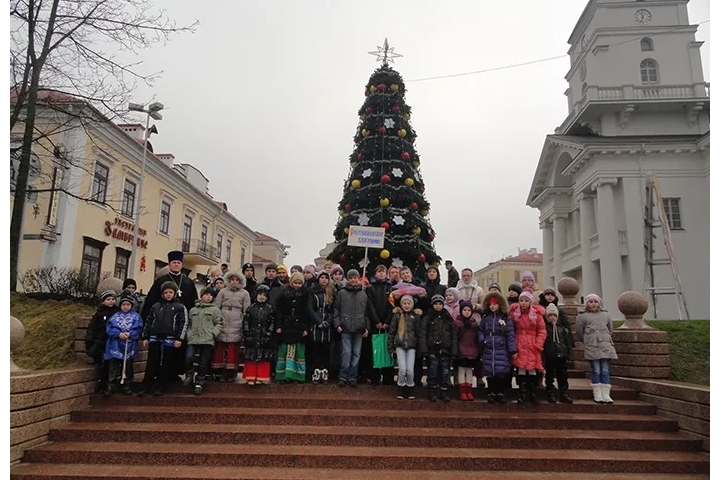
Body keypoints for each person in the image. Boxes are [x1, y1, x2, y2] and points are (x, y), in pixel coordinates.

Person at [142, 251, 198, 380]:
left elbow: (193, 301)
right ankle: (158, 374)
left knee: (178, 349)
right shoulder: (161, 281)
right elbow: (151, 301)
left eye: (178, 263)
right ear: (169, 264)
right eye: (174, 263)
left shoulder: (188, 282)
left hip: (180, 323)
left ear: (181, 265)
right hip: (163, 323)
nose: (176, 265)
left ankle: (174, 374)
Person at [139, 282, 188, 396]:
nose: (168, 294)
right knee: (151, 363)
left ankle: (161, 385)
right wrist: (145, 337)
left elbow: (183, 323)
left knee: (166, 364)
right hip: (155, 338)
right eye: (166, 292)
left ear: (175, 293)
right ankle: (146, 385)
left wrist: (179, 339)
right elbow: (149, 321)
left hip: (170, 339)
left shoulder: (179, 307)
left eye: (170, 292)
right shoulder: (156, 306)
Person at [576, 294, 617, 404]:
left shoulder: (606, 314)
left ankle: (606, 394)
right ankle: (597, 394)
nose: (593, 304)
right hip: (592, 345)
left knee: (605, 369)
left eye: (595, 302)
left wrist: (605, 338)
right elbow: (579, 330)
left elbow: (610, 329)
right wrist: (587, 340)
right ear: (587, 303)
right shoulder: (582, 316)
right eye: (591, 302)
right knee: (596, 370)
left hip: (605, 345)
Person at [333, 269, 370, 387]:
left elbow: (366, 313)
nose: (353, 280)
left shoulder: (363, 294)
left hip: (359, 328)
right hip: (345, 326)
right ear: (348, 279)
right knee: (346, 352)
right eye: (351, 278)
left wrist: (367, 327)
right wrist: (337, 323)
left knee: (356, 353)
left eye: (355, 278)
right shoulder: (342, 293)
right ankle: (343, 376)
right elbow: (336, 310)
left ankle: (353, 376)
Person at [478, 292, 517, 404]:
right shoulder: (486, 318)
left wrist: (512, 349)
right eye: (491, 304)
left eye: (495, 304)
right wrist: (482, 340)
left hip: (501, 347)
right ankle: (491, 392)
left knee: (501, 370)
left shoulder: (505, 318)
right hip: (489, 346)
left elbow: (510, 334)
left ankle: (500, 392)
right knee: (490, 370)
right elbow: (481, 330)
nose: (493, 306)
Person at [213, 271, 251, 383]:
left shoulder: (245, 293)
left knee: (233, 348)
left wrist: (244, 323)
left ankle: (231, 372)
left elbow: (246, 310)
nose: (234, 282)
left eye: (237, 280)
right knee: (220, 347)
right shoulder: (222, 292)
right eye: (232, 279)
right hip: (223, 319)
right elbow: (216, 306)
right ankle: (220, 371)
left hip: (236, 321)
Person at [419, 295, 458, 403]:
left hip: (445, 349)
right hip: (432, 349)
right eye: (436, 304)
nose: (438, 306)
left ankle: (444, 391)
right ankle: (432, 391)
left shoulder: (447, 317)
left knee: (445, 371)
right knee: (433, 370)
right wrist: (424, 350)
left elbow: (453, 335)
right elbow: (423, 334)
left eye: (440, 304)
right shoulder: (428, 318)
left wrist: (454, 351)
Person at [510, 291, 546, 405]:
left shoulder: (537, 315)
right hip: (519, 343)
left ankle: (533, 393)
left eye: (526, 301)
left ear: (530, 302)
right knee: (521, 368)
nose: (523, 303)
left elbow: (542, 330)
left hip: (532, 344)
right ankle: (522, 392)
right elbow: (511, 329)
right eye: (521, 300)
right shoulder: (515, 314)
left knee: (532, 368)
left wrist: (538, 344)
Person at [185, 288, 223, 394]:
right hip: (193, 338)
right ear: (201, 295)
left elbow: (219, 323)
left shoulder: (215, 310)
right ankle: (189, 373)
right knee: (189, 357)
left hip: (207, 339)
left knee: (204, 361)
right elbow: (188, 323)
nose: (208, 297)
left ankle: (200, 381)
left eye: (211, 295)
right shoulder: (193, 310)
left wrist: (213, 333)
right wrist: (189, 333)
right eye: (206, 294)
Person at [103, 292, 142, 396]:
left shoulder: (136, 317)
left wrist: (130, 334)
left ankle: (127, 384)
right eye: (123, 304)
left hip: (129, 345)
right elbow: (109, 328)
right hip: (115, 344)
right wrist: (118, 334)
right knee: (113, 365)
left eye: (128, 304)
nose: (125, 306)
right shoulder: (115, 316)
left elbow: (139, 329)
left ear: (131, 305)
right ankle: (111, 385)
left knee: (128, 365)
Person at [275, 272, 310, 383]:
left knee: (298, 352)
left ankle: (297, 376)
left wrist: (305, 328)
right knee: (285, 351)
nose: (297, 285)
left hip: (298, 326)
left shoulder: (305, 295)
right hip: (286, 326)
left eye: (299, 283)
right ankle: (283, 376)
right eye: (295, 282)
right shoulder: (284, 294)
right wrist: (279, 325)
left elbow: (306, 313)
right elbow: (279, 311)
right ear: (291, 282)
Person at [387, 295, 422, 399]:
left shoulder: (415, 317)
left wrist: (420, 348)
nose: (407, 305)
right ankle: (401, 386)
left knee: (410, 370)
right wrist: (390, 347)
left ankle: (410, 387)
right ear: (401, 304)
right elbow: (392, 332)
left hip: (412, 346)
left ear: (412, 304)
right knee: (402, 369)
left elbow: (419, 333)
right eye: (405, 303)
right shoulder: (397, 316)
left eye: (409, 303)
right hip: (400, 345)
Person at [366, 265, 395, 386]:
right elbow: (370, 305)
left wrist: (387, 321)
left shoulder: (391, 288)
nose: (382, 274)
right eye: (379, 272)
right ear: (375, 274)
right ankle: (375, 377)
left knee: (387, 349)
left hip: (387, 325)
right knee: (375, 350)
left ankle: (388, 376)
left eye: (384, 272)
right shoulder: (371, 288)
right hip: (375, 324)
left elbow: (391, 306)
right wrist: (376, 321)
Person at [85, 290, 118, 393]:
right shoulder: (99, 314)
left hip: (113, 342)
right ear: (103, 301)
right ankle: (102, 384)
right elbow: (92, 328)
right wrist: (90, 339)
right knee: (102, 364)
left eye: (113, 299)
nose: (111, 301)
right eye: (108, 299)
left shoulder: (117, 313)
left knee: (111, 364)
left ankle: (110, 384)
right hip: (101, 342)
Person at [242, 284, 276, 385]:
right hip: (252, 335)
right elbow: (246, 321)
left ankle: (262, 376)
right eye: (260, 294)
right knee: (251, 356)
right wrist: (247, 333)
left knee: (263, 357)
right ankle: (250, 376)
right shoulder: (251, 308)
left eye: (264, 295)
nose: (261, 296)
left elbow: (272, 322)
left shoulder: (270, 309)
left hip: (264, 335)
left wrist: (269, 333)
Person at [306, 270, 334, 384]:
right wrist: (318, 321)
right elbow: (310, 308)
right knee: (316, 350)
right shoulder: (312, 292)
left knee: (325, 351)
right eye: (322, 278)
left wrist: (327, 321)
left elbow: (333, 310)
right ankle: (315, 372)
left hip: (327, 327)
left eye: (326, 278)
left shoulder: (331, 292)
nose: (324, 280)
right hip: (316, 325)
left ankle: (325, 372)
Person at [543, 304, 574, 404]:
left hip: (561, 354)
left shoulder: (562, 329)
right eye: (550, 315)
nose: (552, 317)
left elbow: (567, 341)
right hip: (549, 355)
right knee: (550, 374)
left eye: (554, 315)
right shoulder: (545, 328)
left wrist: (568, 353)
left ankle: (564, 393)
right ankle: (550, 392)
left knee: (562, 375)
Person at [455, 300, 479, 401]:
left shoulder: (474, 324)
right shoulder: (457, 323)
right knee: (461, 370)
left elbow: (476, 338)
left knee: (469, 371)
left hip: (472, 351)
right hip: (461, 350)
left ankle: (469, 391)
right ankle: (462, 392)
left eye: (469, 310)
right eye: (464, 310)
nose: (467, 312)